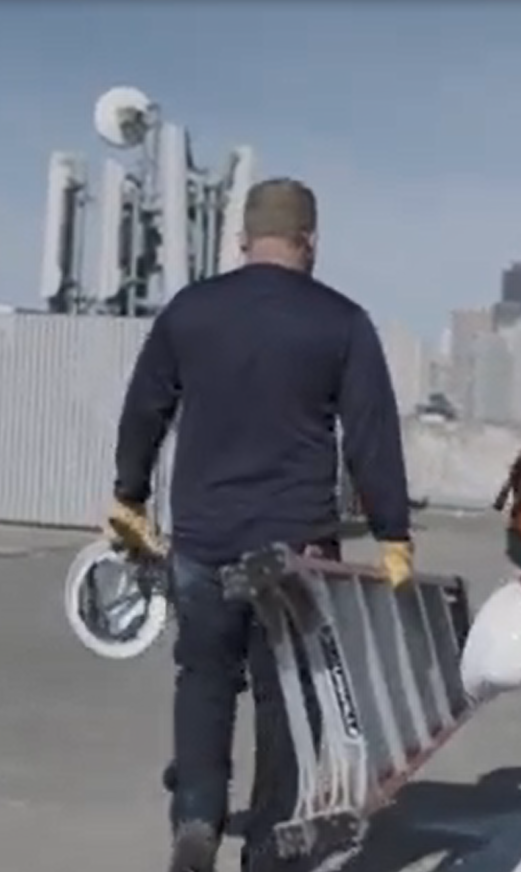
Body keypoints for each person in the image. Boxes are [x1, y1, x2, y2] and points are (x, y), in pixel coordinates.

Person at [104, 177, 415, 872]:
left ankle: (196, 822)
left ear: (243, 239)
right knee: (289, 695)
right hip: (294, 548)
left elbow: (145, 407)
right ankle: (271, 844)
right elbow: (371, 437)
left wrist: (130, 497)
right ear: (311, 241)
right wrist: (393, 533)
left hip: (203, 538)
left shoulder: (191, 311)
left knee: (204, 677)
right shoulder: (340, 321)